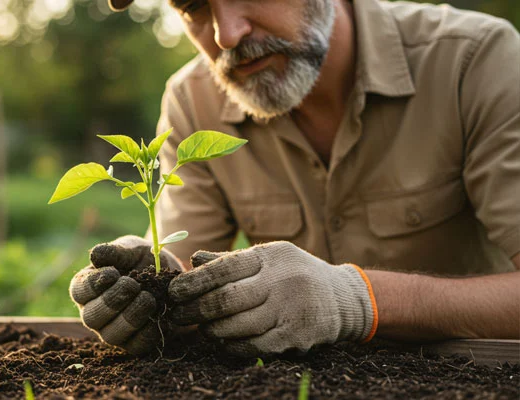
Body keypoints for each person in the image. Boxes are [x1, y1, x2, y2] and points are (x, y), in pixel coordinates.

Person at [69, 0, 520, 356]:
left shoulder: (473, 62)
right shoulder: (193, 102)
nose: (227, 34)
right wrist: (147, 285)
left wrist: (359, 299)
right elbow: (186, 283)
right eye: (193, 5)